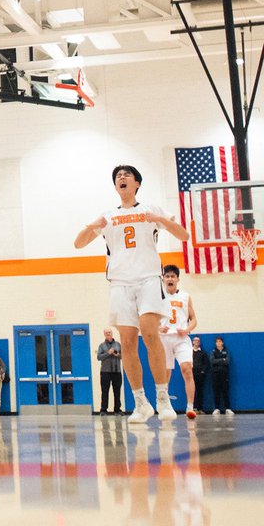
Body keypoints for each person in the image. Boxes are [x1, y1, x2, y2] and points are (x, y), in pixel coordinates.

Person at [73, 164, 189, 423]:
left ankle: (162, 398)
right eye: (118, 176)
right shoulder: (108, 216)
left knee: (149, 332)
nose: (121, 178)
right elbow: (78, 243)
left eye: (127, 175)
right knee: (127, 342)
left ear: (137, 183)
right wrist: (91, 225)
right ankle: (140, 402)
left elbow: (184, 235)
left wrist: (159, 221)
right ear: (116, 186)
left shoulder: (151, 210)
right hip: (119, 283)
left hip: (148, 278)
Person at [160, 264, 198, 419]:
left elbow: (194, 319)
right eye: (167, 276)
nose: (170, 278)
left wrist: (188, 329)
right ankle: (164, 406)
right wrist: (157, 326)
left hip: (181, 337)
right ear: (163, 279)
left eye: (172, 276)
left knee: (187, 369)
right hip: (164, 337)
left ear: (177, 279)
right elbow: (149, 317)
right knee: (165, 373)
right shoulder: (157, 296)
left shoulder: (185, 296)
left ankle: (190, 407)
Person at [96, 328, 124, 415]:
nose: (108, 334)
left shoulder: (118, 344)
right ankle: (103, 410)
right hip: (105, 372)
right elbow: (99, 357)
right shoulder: (102, 345)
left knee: (117, 391)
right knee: (104, 391)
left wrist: (117, 354)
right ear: (104, 334)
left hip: (117, 372)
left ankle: (117, 410)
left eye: (109, 332)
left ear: (112, 333)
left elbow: (123, 356)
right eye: (106, 333)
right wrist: (108, 353)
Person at [210, 337, 232, 416]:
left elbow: (227, 361)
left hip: (224, 374)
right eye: (217, 342)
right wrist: (222, 360)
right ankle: (217, 408)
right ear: (215, 343)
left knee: (225, 391)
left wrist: (219, 361)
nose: (218, 343)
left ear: (222, 342)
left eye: (220, 341)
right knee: (216, 392)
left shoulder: (226, 351)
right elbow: (212, 361)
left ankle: (228, 408)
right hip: (215, 375)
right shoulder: (213, 351)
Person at [191, 336, 210, 414]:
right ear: (193, 342)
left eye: (198, 341)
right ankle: (193, 408)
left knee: (200, 391)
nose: (197, 342)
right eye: (195, 340)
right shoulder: (189, 352)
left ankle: (200, 408)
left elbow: (206, 364)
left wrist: (202, 372)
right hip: (191, 376)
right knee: (192, 391)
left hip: (200, 376)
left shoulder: (203, 352)